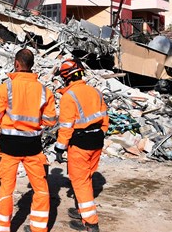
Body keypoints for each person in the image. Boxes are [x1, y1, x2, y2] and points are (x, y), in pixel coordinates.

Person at [0, 48, 57, 232]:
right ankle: (39, 228)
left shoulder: (6, 88)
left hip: (9, 146)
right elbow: (51, 120)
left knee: (6, 189)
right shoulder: (44, 91)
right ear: (32, 65)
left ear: (16, 64)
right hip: (32, 146)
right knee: (41, 188)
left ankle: (3, 228)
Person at [54, 59, 109, 232]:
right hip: (97, 141)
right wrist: (100, 134)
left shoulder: (69, 97)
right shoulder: (96, 92)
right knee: (87, 178)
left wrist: (60, 147)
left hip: (80, 144)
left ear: (66, 78)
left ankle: (91, 223)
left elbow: (66, 127)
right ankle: (82, 211)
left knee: (81, 183)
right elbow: (105, 119)